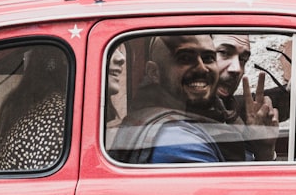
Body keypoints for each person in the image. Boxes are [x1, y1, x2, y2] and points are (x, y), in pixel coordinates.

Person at [110, 35, 258, 164]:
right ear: (154, 72)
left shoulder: (187, 117)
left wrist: (263, 147)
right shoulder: (179, 141)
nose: (202, 69)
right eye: (185, 59)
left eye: (208, 58)